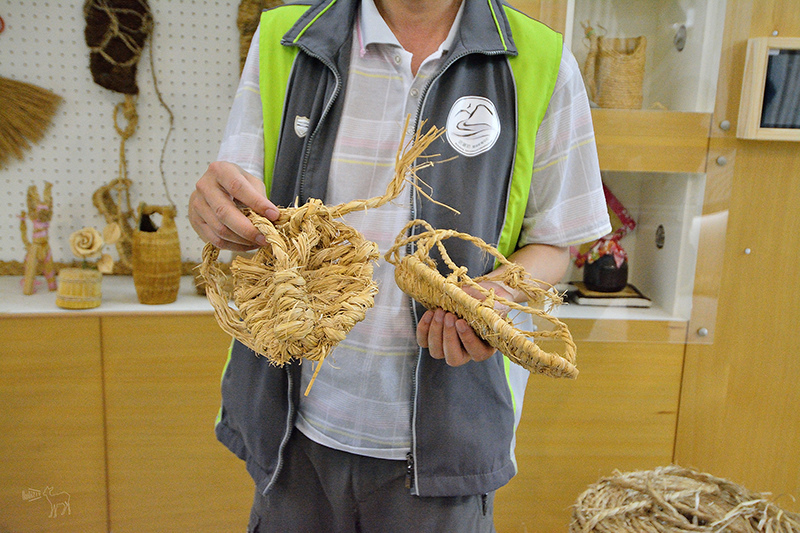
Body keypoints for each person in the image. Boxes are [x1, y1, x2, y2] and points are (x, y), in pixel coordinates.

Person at [189, 0, 611, 530]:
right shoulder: (286, 39)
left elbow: (555, 244)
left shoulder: (540, 60)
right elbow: (243, 210)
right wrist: (217, 210)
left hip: (445, 445)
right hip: (293, 436)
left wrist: (493, 301)